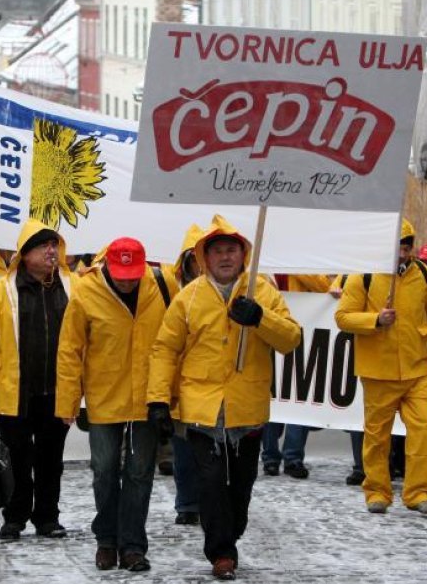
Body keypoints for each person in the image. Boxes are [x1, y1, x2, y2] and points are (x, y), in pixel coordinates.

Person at [148, 214, 301, 581]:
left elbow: (291, 339)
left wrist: (260, 318)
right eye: (217, 251)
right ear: (204, 257)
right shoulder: (189, 297)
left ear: (243, 254)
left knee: (242, 485)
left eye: (232, 250)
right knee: (211, 482)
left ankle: (229, 533)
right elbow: (165, 349)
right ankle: (221, 553)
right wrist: (157, 399)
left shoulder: (261, 292)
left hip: (247, 408)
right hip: (201, 407)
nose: (225, 257)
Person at [56, 237, 167, 572]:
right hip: (104, 398)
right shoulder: (86, 293)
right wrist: (68, 402)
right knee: (103, 472)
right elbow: (70, 350)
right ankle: (106, 540)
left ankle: (132, 545)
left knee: (139, 474)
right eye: (121, 274)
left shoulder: (160, 286)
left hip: (147, 398)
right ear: (107, 265)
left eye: (133, 274)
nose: (127, 280)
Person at [335, 219, 427, 516]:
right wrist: (375, 320)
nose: (401, 253)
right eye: (396, 247)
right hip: (378, 371)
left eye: (405, 246)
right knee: (377, 436)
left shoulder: (424, 274)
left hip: (416, 368)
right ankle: (376, 491)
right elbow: (343, 317)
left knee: (425, 427)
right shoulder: (362, 275)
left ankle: (418, 493)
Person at [0, 219, 76, 540]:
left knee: (52, 460)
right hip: (14, 393)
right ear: (25, 253)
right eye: (43, 245)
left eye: (54, 245)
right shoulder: (0, 292)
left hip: (57, 391)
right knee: (19, 459)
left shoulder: (71, 286)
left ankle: (48, 518)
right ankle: (16, 517)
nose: (51, 251)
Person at [262, 273, 365, 486]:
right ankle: (273, 457)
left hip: (304, 331)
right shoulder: (266, 268)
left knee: (297, 398)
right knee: (276, 397)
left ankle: (289, 457)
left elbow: (325, 284)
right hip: (283, 332)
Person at [158, 223, 204, 526]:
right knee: (184, 450)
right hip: (179, 383)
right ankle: (187, 503)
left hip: (211, 383)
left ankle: (210, 501)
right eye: (195, 260)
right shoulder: (169, 289)